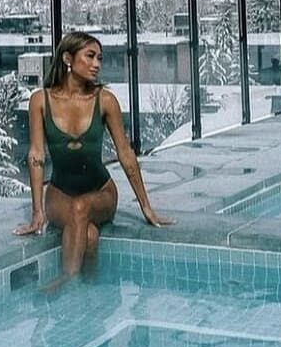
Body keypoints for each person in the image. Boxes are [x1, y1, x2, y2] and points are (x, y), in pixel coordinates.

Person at [14, 30, 173, 275]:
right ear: (68, 59)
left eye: (99, 58)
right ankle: (87, 290)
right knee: (88, 235)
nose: (97, 64)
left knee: (81, 207)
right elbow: (36, 156)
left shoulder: (105, 100)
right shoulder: (40, 100)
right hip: (58, 193)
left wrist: (146, 207)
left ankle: (67, 284)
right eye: (90, 56)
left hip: (101, 192)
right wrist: (37, 211)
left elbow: (126, 154)